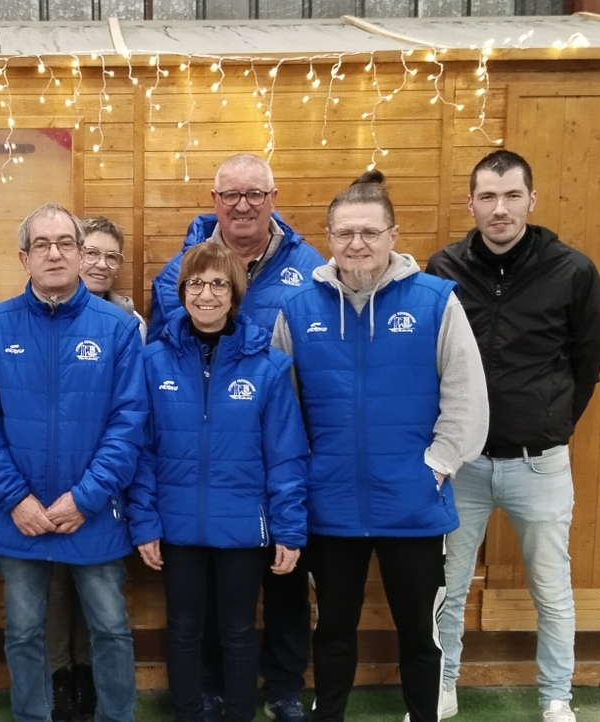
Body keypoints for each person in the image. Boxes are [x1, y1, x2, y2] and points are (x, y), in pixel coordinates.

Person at [271, 171, 488, 722]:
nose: (356, 244)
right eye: (344, 233)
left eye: (369, 231)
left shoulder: (436, 302)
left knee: (420, 634)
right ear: (328, 236)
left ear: (393, 234)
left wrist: (434, 468)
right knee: (334, 630)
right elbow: (282, 413)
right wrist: (306, 476)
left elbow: (467, 399)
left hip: (413, 505)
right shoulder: (297, 311)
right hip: (331, 507)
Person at [427, 150, 600, 722]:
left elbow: (587, 361)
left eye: (510, 196)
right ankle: (442, 687)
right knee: (445, 589)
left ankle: (556, 696)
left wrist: (550, 422)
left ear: (531, 199)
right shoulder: (443, 267)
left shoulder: (572, 271)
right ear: (471, 204)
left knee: (551, 591)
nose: (499, 208)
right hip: (463, 465)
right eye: (487, 197)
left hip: (541, 464)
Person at [145, 152, 322, 722]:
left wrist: (289, 523)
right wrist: (146, 520)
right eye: (195, 286)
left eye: (218, 285)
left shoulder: (268, 367)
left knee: (243, 624)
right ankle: (197, 705)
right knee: (188, 628)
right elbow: (141, 444)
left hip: (247, 517)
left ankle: (259, 700)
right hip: (178, 520)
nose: (205, 295)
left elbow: (286, 451)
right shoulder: (154, 362)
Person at [0, 202, 149, 722]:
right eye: (41, 244)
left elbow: (129, 421)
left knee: (110, 627)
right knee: (24, 631)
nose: (54, 253)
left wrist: (85, 497)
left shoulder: (116, 328)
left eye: (66, 243)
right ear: (24, 258)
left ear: (80, 252)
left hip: (93, 511)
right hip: (14, 515)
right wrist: (16, 499)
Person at [41, 214, 142, 722]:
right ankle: (62, 678)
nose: (100, 264)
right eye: (92, 252)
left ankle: (94, 683)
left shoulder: (130, 325)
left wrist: (93, 491)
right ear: (76, 254)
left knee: (102, 603)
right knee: (55, 590)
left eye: (110, 256)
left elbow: (131, 418)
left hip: (104, 492)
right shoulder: (36, 315)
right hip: (45, 494)